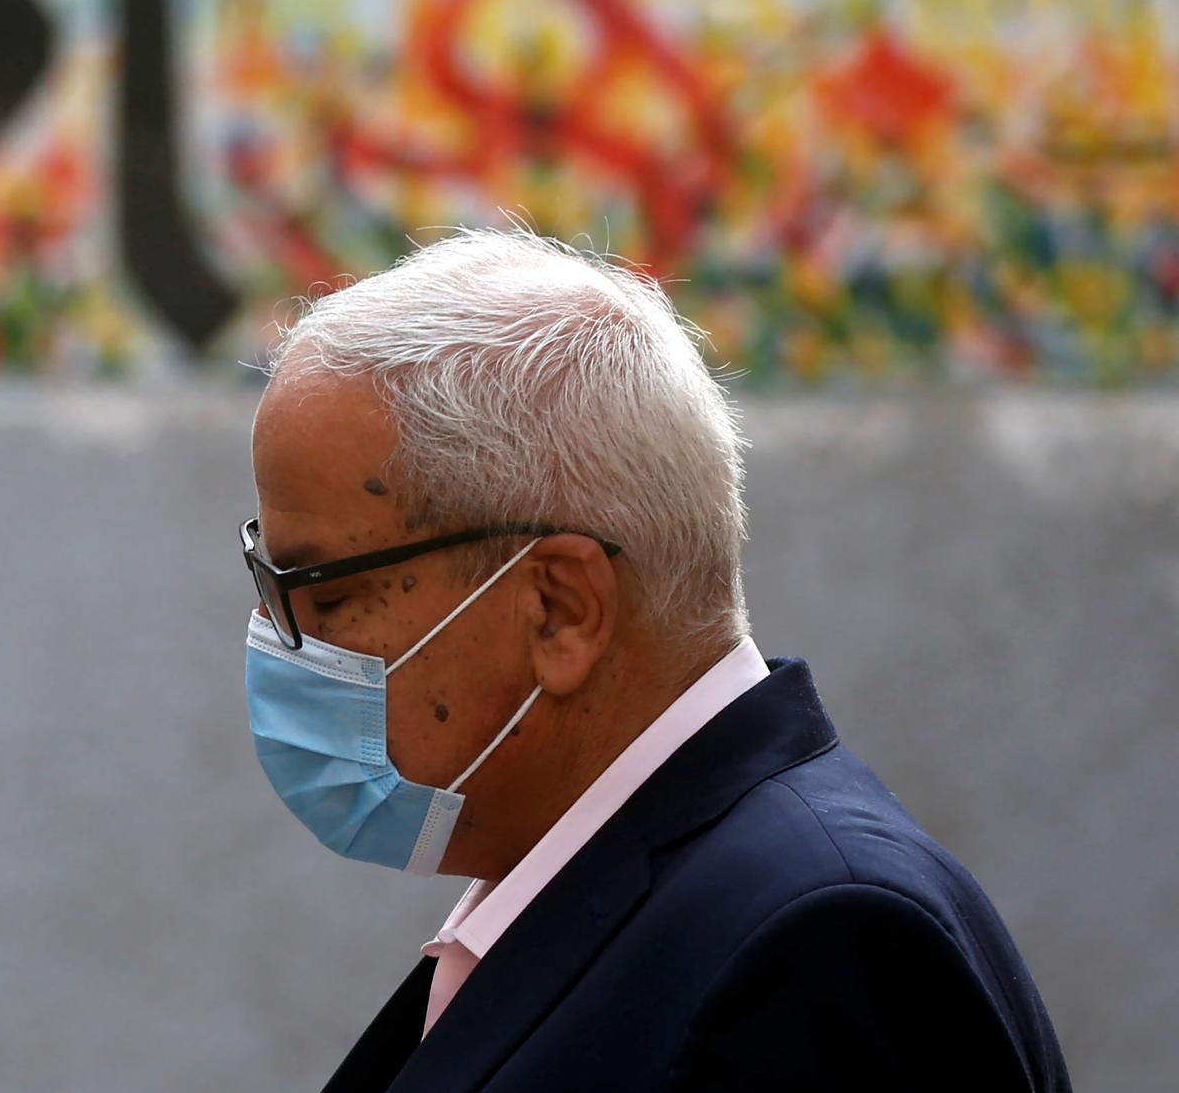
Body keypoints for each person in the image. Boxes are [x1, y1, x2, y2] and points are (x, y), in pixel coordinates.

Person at [239, 229, 1069, 1092]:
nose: (275, 633)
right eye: (266, 578)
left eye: (319, 592)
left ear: (560, 609)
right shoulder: (615, 900)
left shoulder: (811, 950)